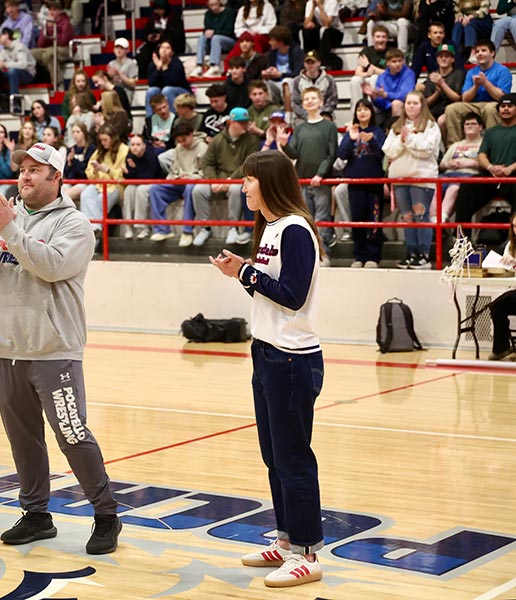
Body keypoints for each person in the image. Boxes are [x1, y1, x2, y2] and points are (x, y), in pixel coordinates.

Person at [0, 142, 122, 556]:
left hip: (53, 351)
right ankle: (36, 515)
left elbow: (50, 266)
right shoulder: (2, 219)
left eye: (36, 170)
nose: (25, 176)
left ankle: (106, 515)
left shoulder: (75, 224)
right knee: (23, 438)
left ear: (56, 178)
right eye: (22, 169)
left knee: (72, 434)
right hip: (5, 351)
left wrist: (8, 229)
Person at [210, 149, 325, 589]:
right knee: (273, 457)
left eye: (248, 180)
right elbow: (268, 296)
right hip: (267, 351)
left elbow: (293, 295)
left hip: (293, 358)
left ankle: (307, 552)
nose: (242, 186)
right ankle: (286, 540)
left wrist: (245, 272)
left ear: (269, 182)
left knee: (294, 457)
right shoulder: (271, 228)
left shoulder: (296, 229)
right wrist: (240, 274)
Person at [382, 91, 442, 269]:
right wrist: (403, 141)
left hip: (422, 178)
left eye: (415, 103)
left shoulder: (431, 126)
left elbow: (427, 150)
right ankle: (411, 252)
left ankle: (423, 255)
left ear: (422, 105)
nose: (411, 106)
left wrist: (407, 140)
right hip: (400, 178)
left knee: (421, 216)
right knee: (407, 217)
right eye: (408, 103)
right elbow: (389, 150)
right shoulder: (396, 126)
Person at [278, 87, 339, 263]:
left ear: (320, 101)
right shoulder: (300, 128)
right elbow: (294, 154)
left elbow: (331, 153)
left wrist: (320, 174)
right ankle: (308, 256)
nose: (310, 101)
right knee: (305, 220)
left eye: (313, 98)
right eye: (307, 99)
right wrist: (284, 144)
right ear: (303, 104)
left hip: (321, 182)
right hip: (302, 181)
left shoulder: (329, 127)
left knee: (322, 220)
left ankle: (323, 253)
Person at [193, 106, 261, 246]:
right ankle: (204, 228)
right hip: (218, 180)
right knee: (198, 190)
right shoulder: (217, 140)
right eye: (240, 122)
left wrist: (230, 180)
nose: (245, 125)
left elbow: (248, 164)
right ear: (230, 123)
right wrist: (213, 181)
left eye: (246, 122)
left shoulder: (252, 141)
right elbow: (208, 163)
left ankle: (233, 227)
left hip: (237, 179)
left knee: (237, 189)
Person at [337, 99, 387, 268]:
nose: (362, 112)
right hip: (355, 184)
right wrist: (351, 139)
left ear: (371, 112)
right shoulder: (351, 131)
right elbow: (342, 155)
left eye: (366, 109)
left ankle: (373, 256)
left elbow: (383, 154)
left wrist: (371, 141)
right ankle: (359, 256)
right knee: (357, 221)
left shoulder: (378, 131)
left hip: (374, 184)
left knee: (373, 222)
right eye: (359, 109)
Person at [454, 93, 516, 224]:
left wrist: (510, 169)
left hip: (513, 178)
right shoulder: (490, 132)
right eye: (503, 106)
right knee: (467, 188)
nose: (505, 109)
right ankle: (461, 239)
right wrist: (490, 167)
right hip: (492, 177)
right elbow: (481, 155)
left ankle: (513, 240)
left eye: (510, 106)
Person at [148, 121, 209, 246]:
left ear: (191, 134)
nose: (182, 143)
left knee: (190, 188)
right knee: (155, 189)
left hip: (195, 182)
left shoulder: (203, 148)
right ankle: (162, 229)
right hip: (179, 182)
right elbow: (173, 170)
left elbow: (205, 172)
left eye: (184, 139)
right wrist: (174, 177)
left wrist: (190, 177)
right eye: (179, 141)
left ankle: (187, 231)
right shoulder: (178, 148)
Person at [444, 39, 512, 143]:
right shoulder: (471, 72)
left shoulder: (503, 71)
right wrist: (476, 86)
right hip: (474, 105)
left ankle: (491, 146)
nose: (480, 54)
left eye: (483, 50)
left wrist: (485, 83)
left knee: (490, 108)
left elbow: (502, 97)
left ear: (492, 53)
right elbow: (465, 99)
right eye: (477, 51)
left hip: (494, 104)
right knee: (452, 108)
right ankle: (455, 147)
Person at [81, 124, 128, 237]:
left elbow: (122, 175)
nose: (103, 143)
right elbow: (89, 172)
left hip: (115, 186)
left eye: (106, 140)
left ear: (113, 138)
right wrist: (96, 171)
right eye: (101, 140)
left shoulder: (124, 150)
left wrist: (107, 170)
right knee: (85, 194)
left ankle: (96, 229)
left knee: (102, 200)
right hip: (99, 184)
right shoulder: (99, 151)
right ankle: (91, 228)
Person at [437, 112, 484, 221]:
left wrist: (470, 163)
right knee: (434, 188)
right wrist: (449, 164)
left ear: (480, 127)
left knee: (453, 188)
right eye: (467, 124)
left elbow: (487, 165)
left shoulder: (484, 144)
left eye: (473, 124)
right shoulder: (456, 145)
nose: (470, 126)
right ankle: (433, 221)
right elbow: (442, 164)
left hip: (469, 175)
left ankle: (441, 220)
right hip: (448, 174)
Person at [417, 42, 465, 137]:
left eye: (447, 56)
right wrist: (437, 92)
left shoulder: (459, 74)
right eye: (441, 56)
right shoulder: (433, 75)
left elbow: (457, 98)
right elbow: (427, 102)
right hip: (433, 111)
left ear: (453, 59)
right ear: (437, 59)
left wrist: (442, 84)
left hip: (451, 110)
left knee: (441, 121)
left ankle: (447, 148)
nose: (443, 58)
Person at [122, 134, 164, 239]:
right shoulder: (129, 156)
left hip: (155, 182)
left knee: (141, 190)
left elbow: (148, 176)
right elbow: (129, 178)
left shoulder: (151, 155)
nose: (135, 147)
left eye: (138, 144)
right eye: (132, 145)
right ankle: (128, 226)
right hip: (139, 182)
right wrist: (128, 172)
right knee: (129, 190)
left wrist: (134, 169)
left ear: (144, 146)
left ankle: (142, 227)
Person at [487, 212, 516, 360]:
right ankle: (501, 348)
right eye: (515, 226)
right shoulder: (511, 245)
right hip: (514, 288)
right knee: (496, 306)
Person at [364, 48, 416, 123]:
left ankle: (396, 132)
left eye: (400, 61)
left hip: (405, 107)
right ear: (387, 63)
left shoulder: (409, 74)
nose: (397, 64)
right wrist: (374, 96)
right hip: (385, 109)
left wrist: (387, 95)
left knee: (396, 104)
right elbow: (381, 104)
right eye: (394, 61)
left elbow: (406, 95)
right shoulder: (382, 77)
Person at [32, 1, 74, 89]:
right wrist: (47, 28)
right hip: (50, 48)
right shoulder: (47, 23)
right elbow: (40, 44)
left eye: (54, 10)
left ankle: (59, 83)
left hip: (66, 49)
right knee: (31, 53)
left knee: (49, 54)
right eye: (50, 10)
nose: (51, 12)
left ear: (60, 11)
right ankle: (36, 81)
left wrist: (51, 29)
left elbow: (63, 41)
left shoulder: (65, 23)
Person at [291, 50, 339, 124]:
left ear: (319, 63)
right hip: (303, 117)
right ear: (304, 64)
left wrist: (320, 114)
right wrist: (307, 115)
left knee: (327, 123)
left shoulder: (329, 79)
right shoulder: (297, 81)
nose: (310, 65)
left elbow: (332, 101)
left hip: (324, 115)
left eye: (313, 62)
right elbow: (296, 103)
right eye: (308, 63)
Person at [145, 41, 191, 116]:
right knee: (151, 91)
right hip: (163, 90)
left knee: (167, 90)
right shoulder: (154, 64)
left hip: (181, 90)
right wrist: (158, 68)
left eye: (167, 48)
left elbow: (172, 82)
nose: (164, 50)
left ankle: (172, 120)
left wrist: (165, 68)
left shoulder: (176, 62)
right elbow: (151, 83)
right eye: (162, 47)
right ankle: (149, 121)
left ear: (172, 52)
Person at [192, 0, 237, 78]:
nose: (214, 7)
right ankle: (199, 65)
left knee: (216, 38)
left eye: (215, 4)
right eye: (211, 5)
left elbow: (230, 31)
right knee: (202, 37)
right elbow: (206, 29)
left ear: (219, 3)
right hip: (213, 41)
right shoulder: (208, 14)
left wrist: (214, 32)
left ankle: (214, 66)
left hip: (229, 40)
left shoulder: (230, 12)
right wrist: (207, 32)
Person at [350, 25, 389, 108]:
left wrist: (369, 66)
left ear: (387, 39)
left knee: (374, 78)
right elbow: (358, 73)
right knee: (355, 80)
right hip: (368, 77)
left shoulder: (390, 52)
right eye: (378, 37)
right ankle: (356, 112)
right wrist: (367, 73)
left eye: (383, 37)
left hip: (384, 82)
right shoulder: (366, 51)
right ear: (373, 38)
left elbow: (389, 73)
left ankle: (374, 111)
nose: (380, 40)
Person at [0, 28, 37, 103]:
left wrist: (4, 64)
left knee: (13, 71)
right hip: (12, 73)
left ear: (6, 35)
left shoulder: (19, 46)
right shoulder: (2, 51)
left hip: (27, 74)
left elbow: (23, 65)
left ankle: (14, 101)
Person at [302, 0, 344, 71]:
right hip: (322, 30)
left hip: (336, 32)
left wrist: (320, 7)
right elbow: (305, 24)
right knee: (307, 30)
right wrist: (313, 8)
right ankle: (308, 59)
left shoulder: (332, 2)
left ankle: (324, 62)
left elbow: (327, 24)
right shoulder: (310, 3)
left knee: (326, 32)